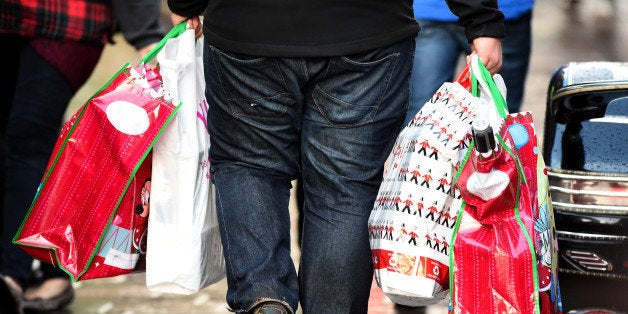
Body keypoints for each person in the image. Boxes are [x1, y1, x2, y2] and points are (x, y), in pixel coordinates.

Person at [167, 0, 504, 313]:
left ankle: (263, 295)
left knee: (250, 166)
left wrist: (186, 3)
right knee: (345, 189)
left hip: (249, 28)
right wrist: (481, 20)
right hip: (366, 31)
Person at [0, 0, 165, 312]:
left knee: (28, 139)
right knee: (24, 142)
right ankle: (49, 267)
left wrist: (145, 34)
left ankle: (12, 275)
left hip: (68, 19)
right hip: (9, 17)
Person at [405, 0, 534, 125]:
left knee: (423, 115)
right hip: (499, 14)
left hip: (430, 10)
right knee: (501, 118)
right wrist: (485, 24)